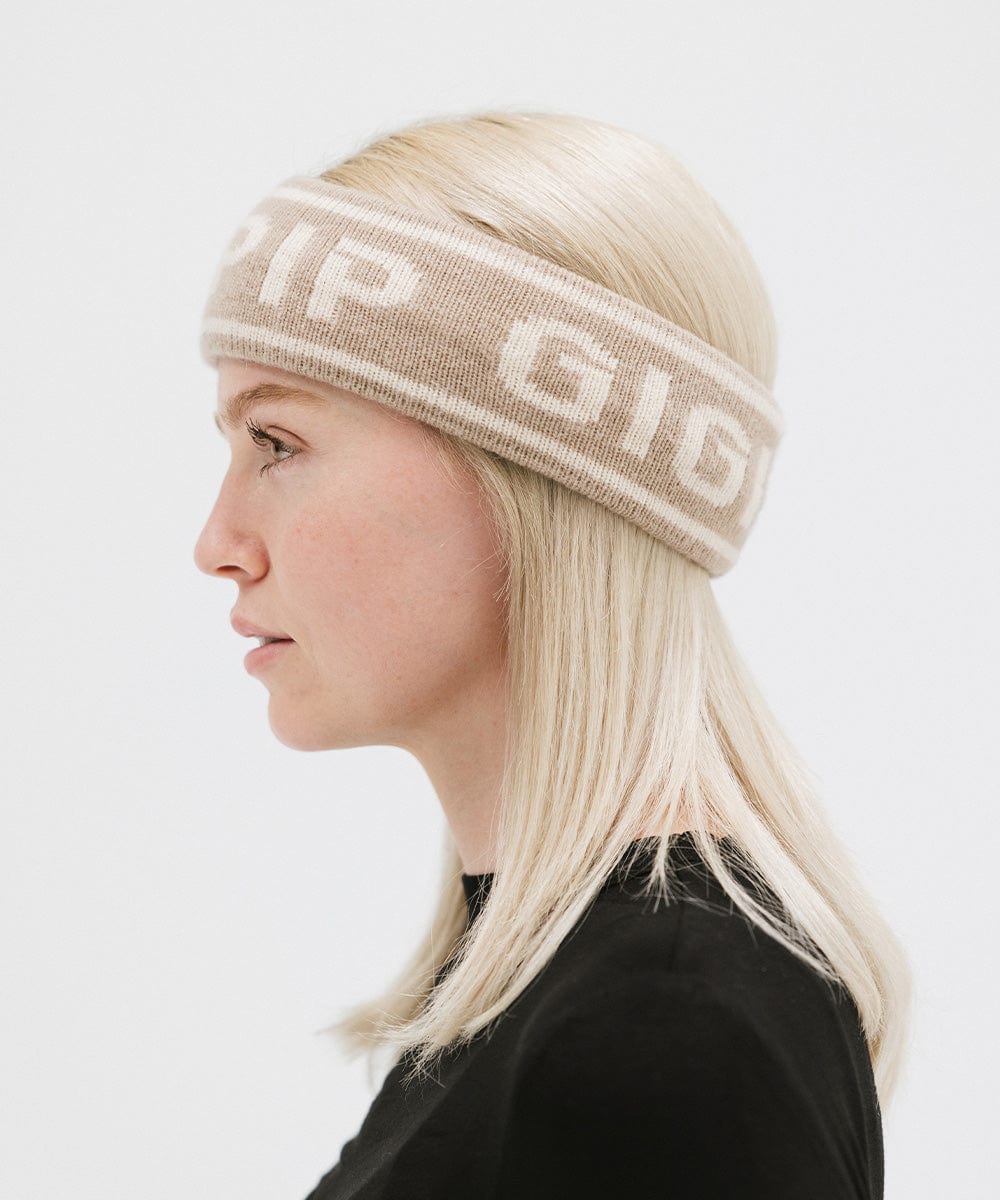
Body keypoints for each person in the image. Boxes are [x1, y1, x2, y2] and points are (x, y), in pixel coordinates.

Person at [193, 109, 911, 1198]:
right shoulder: (549, 990)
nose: (218, 545)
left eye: (278, 442)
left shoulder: (662, 1032)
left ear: (529, 475)